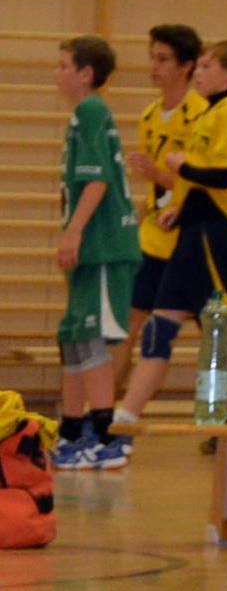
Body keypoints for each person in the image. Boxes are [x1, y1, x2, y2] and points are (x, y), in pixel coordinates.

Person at [113, 39, 227, 448]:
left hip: (219, 233)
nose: (199, 72)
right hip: (193, 232)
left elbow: (224, 177)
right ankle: (123, 424)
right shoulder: (208, 115)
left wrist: (183, 166)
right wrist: (177, 210)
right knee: (159, 326)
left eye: (208, 66)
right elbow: (201, 184)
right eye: (198, 66)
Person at [50, 35, 137, 474]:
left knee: (92, 338)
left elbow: (98, 180)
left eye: (64, 66)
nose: (57, 74)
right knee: (73, 337)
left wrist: (74, 232)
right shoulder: (84, 114)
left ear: (86, 74)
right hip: (92, 248)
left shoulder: (90, 110)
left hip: (103, 246)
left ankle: (106, 436)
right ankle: (71, 431)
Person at [120, 22, 205, 371]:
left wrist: (159, 174)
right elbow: (156, 189)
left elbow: (203, 186)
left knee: (217, 328)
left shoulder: (203, 115)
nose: (153, 66)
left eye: (163, 59)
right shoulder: (150, 116)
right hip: (155, 237)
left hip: (194, 238)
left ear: (186, 66)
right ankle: (106, 405)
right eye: (152, 57)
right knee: (128, 322)